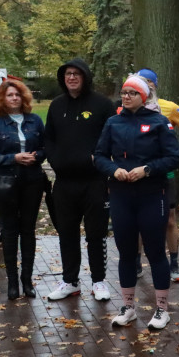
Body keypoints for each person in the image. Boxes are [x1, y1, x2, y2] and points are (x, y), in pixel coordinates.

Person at [94, 74, 179, 330]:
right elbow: (99, 155)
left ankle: (162, 309)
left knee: (155, 252)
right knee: (126, 253)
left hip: (152, 195)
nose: (126, 96)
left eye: (132, 93)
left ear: (143, 97)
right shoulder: (112, 122)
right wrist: (113, 170)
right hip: (121, 195)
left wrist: (148, 169)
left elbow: (174, 158)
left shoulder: (159, 122)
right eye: (123, 92)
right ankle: (128, 307)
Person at [44, 59, 115, 302]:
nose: (71, 78)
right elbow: (49, 139)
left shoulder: (102, 104)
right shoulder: (56, 105)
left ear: (85, 77)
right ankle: (70, 281)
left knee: (96, 234)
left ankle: (98, 281)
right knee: (67, 233)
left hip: (95, 181)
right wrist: (55, 160)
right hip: (64, 183)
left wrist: (100, 158)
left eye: (76, 74)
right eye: (67, 74)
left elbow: (111, 136)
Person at [0, 79, 46, 300]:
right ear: (3, 99)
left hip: (32, 181)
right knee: (9, 231)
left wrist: (36, 156)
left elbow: (46, 147)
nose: (14, 98)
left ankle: (27, 281)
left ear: (24, 97)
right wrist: (13, 158)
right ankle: (12, 282)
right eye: (9, 95)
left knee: (28, 229)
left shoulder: (35, 121)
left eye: (17, 94)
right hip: (7, 183)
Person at [136, 68, 179, 283]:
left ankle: (173, 265)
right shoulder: (128, 108)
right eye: (139, 81)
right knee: (138, 221)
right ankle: (136, 264)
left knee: (170, 220)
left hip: (165, 173)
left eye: (147, 82)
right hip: (137, 174)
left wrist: (177, 153)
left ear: (154, 85)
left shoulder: (169, 107)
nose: (143, 85)